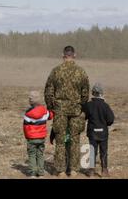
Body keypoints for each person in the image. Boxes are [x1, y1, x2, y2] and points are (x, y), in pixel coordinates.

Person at [44, 46, 89, 177]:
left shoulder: (56, 71)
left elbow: (48, 92)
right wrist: (81, 105)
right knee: (75, 139)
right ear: (74, 55)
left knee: (60, 140)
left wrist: (51, 107)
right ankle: (74, 170)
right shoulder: (81, 72)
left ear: (63, 55)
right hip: (76, 110)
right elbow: (85, 93)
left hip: (60, 110)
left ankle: (60, 170)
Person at [83, 83, 115, 178]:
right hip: (103, 133)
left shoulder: (88, 105)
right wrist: (105, 124)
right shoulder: (105, 106)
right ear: (101, 93)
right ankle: (104, 170)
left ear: (92, 93)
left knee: (92, 150)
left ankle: (91, 171)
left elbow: (84, 117)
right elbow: (110, 119)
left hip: (92, 132)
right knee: (104, 151)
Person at [23, 91, 54, 177]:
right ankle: (41, 172)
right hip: (41, 138)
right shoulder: (44, 111)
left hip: (31, 138)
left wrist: (27, 136)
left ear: (30, 101)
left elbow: (25, 127)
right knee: (40, 154)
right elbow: (51, 116)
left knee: (32, 155)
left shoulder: (28, 113)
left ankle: (32, 172)